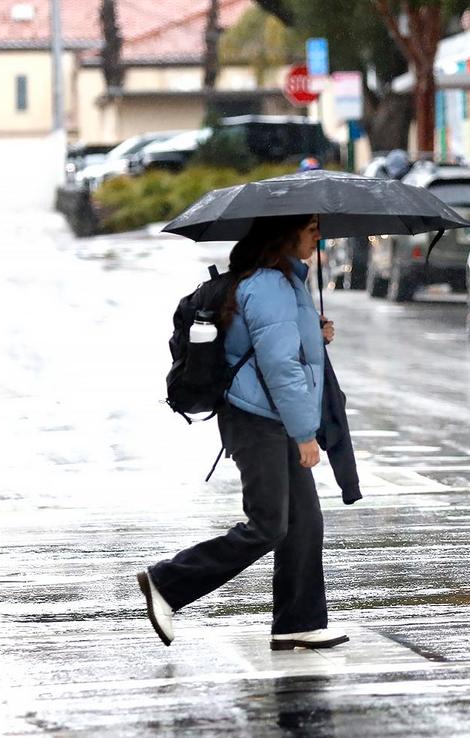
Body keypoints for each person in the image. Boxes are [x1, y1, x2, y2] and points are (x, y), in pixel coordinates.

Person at [136, 213, 347, 651]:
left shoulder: (282, 282)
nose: (318, 238)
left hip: (272, 416)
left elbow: (277, 345)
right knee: (269, 525)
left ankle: (298, 621)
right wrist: (305, 434)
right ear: (288, 235)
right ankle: (168, 583)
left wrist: (316, 334)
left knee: (304, 522)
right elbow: (279, 366)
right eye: (312, 230)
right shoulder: (270, 286)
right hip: (259, 419)